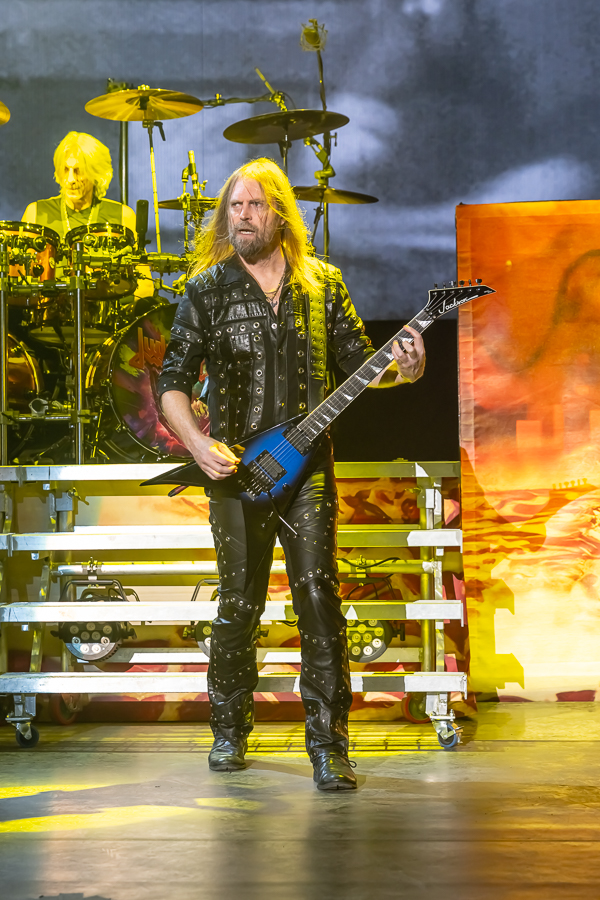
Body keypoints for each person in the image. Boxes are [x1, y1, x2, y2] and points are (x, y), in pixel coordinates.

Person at [158, 158, 425, 791]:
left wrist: (406, 369)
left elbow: (362, 365)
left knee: (318, 596)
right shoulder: (206, 289)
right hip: (235, 470)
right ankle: (228, 732)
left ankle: (329, 747)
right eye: (234, 206)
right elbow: (170, 383)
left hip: (308, 470)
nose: (242, 217)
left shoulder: (322, 284)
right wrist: (197, 443)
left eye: (253, 205)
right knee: (237, 604)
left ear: (279, 213)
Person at [22, 131, 154, 301]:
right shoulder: (36, 212)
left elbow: (145, 285)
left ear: (96, 173)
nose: (70, 179)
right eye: (66, 170)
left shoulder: (123, 215)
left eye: (78, 171)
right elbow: (18, 278)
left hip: (107, 314)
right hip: (47, 314)